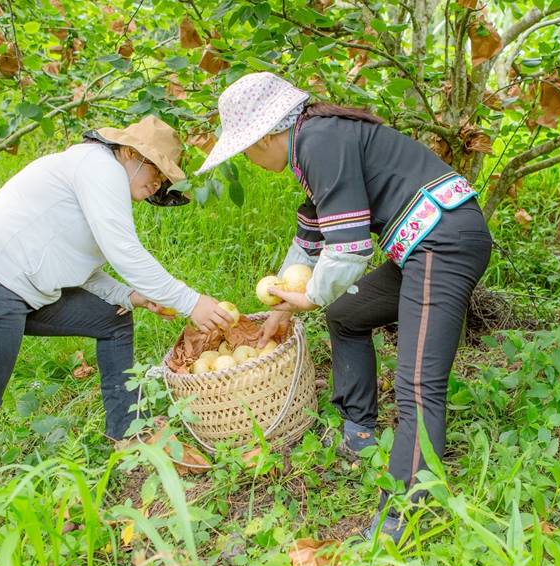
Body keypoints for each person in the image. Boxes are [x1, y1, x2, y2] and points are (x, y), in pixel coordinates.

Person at [195, 73, 492, 539]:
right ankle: (359, 428)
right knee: (347, 314)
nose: (249, 160)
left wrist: (311, 297)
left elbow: (349, 248)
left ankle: (406, 513)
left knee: (418, 384)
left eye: (246, 150)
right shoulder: (315, 142)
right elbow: (311, 240)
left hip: (444, 242)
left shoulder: (319, 141)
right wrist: (282, 306)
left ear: (266, 136)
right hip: (423, 246)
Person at [0, 115, 234, 509]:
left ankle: (127, 430)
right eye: (155, 171)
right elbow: (125, 252)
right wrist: (192, 302)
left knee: (113, 317)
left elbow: (79, 267)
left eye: (164, 179)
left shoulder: (98, 179)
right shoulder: (98, 166)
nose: (157, 184)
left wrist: (129, 296)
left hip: (19, 291)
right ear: (129, 153)